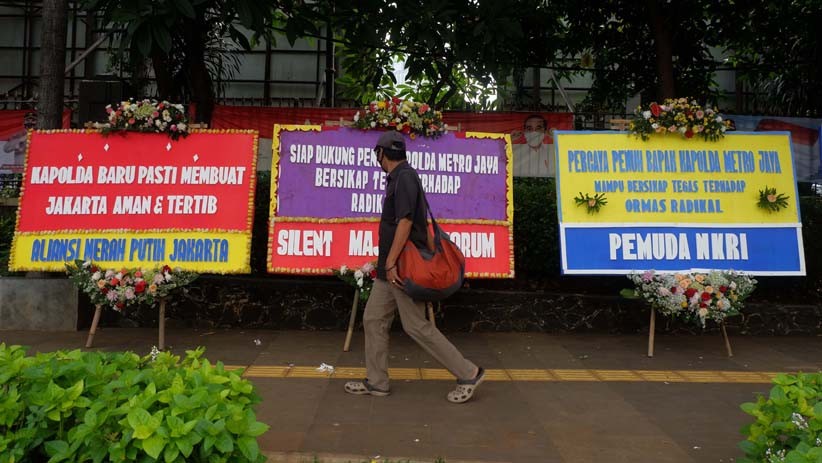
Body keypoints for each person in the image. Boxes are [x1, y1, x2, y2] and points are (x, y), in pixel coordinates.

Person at [344, 130, 485, 404]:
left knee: (416, 326)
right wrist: (384, 261)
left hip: (401, 268)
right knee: (373, 319)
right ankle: (377, 382)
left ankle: (469, 372)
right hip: (391, 268)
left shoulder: (405, 177)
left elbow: (405, 222)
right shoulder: (398, 178)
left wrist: (390, 260)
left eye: (378, 154)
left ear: (382, 154)